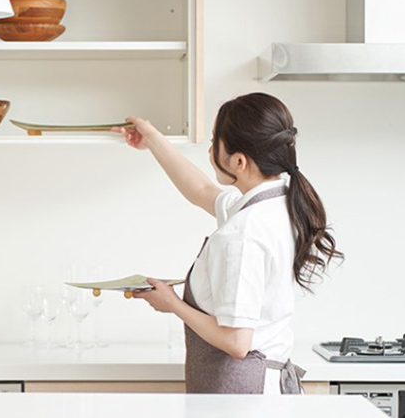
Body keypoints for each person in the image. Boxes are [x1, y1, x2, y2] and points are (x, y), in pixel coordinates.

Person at [112, 92, 342, 394]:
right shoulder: (276, 204)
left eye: (213, 141)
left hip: (245, 395)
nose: (209, 151)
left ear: (238, 161)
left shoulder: (244, 232)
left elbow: (237, 342)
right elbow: (202, 190)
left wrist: (173, 304)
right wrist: (152, 139)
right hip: (263, 387)